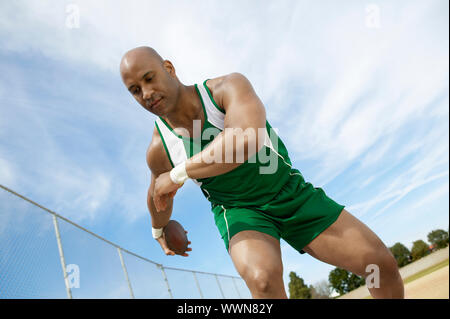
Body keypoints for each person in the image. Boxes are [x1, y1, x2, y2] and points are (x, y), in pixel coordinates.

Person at [119, 46, 404, 299]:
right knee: (262, 280)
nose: (146, 94)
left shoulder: (227, 88)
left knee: (378, 264)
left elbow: (245, 140)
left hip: (289, 191)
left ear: (168, 68)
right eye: (134, 90)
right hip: (239, 211)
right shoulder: (159, 149)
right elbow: (157, 194)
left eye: (149, 78)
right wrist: (159, 229)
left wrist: (178, 173)